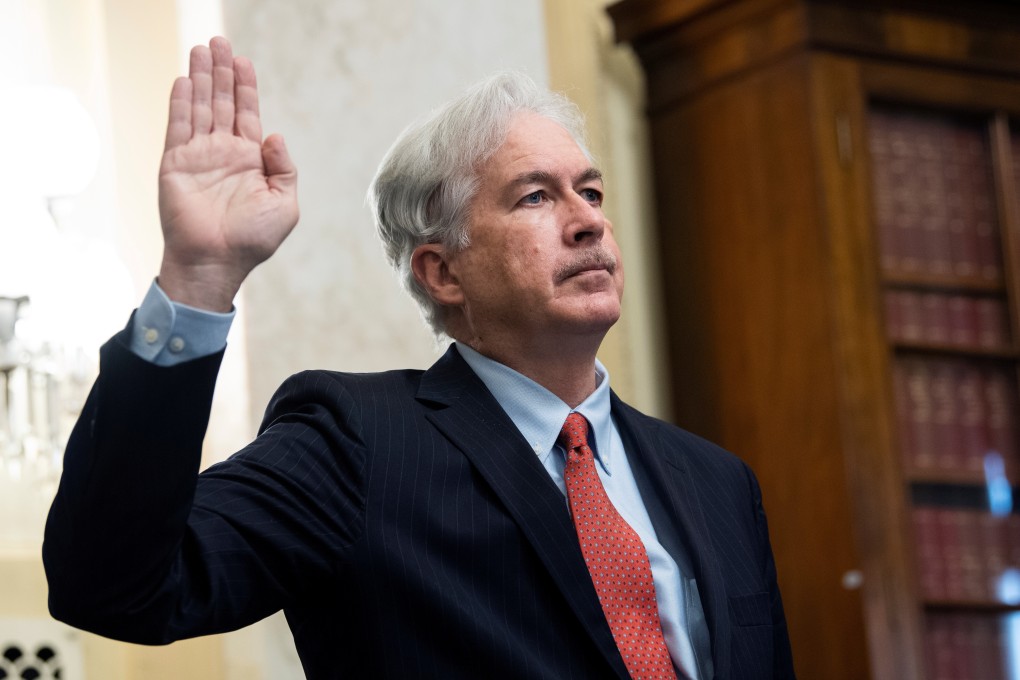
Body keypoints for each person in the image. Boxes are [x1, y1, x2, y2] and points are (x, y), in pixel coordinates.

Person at [43, 37, 795, 680]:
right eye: (536, 197)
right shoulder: (354, 444)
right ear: (443, 272)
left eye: (591, 192)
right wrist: (198, 280)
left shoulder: (719, 482)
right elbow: (115, 587)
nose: (587, 222)